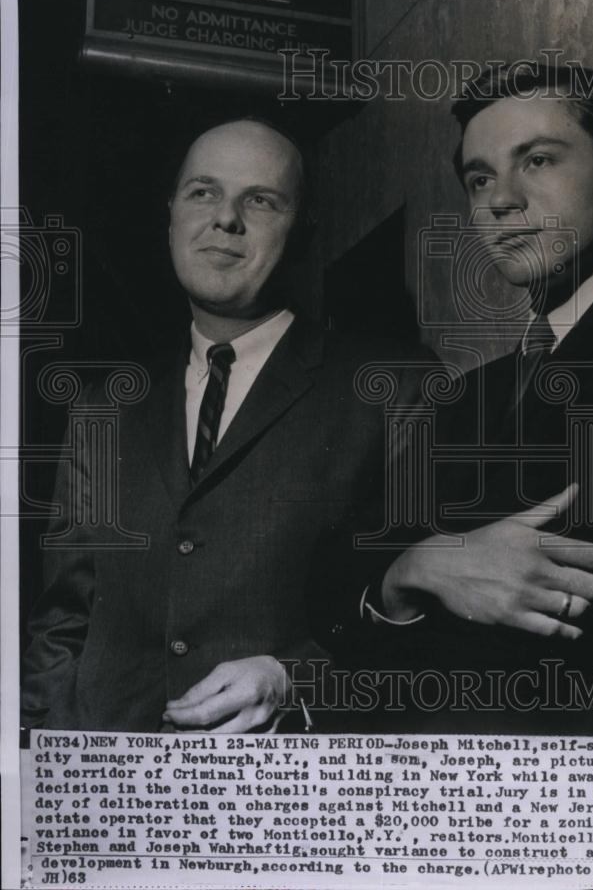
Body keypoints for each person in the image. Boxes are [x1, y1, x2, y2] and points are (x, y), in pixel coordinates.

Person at [312, 64, 593, 737]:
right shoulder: (469, 395)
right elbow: (328, 577)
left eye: (536, 160)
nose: (500, 200)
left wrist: (422, 561)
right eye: (478, 178)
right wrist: (419, 565)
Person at [20, 115, 432, 733]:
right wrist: (42, 760)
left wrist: (300, 683)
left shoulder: (395, 386)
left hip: (281, 797)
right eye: (203, 192)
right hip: (106, 793)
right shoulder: (103, 408)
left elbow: (418, 628)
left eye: (260, 201)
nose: (225, 219)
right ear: (171, 218)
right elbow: (64, 618)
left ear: (305, 234)